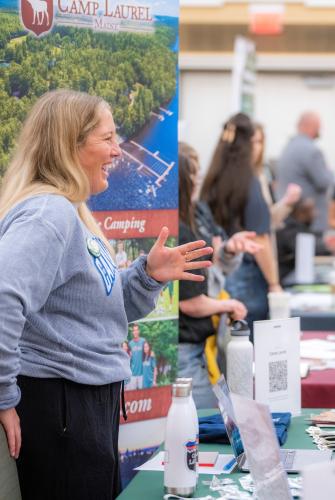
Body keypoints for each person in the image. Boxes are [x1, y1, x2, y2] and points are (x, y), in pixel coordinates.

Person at [0, 89, 211, 500]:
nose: (119, 150)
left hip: (78, 409)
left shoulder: (71, 210)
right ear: (70, 146)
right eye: (108, 138)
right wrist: (4, 395)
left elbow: (97, 312)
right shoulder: (49, 213)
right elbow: (3, 295)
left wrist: (148, 276)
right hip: (62, 408)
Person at [178, 151, 257, 408]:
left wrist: (229, 250)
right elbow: (190, 301)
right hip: (186, 347)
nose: (198, 178)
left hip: (201, 344)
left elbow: (212, 269)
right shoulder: (180, 231)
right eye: (193, 172)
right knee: (206, 420)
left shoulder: (197, 214)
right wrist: (228, 305)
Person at [199, 113, 279, 337]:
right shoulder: (249, 183)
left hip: (222, 273)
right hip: (247, 275)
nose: (259, 148)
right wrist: (274, 284)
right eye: (255, 142)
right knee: (250, 344)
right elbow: (259, 239)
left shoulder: (213, 178)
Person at [276, 111, 335, 234]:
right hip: (309, 221)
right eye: (318, 127)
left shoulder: (288, 147)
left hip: (289, 218)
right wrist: (330, 172)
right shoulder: (312, 151)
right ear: (309, 126)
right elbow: (324, 182)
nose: (320, 131)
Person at [252, 123, 301, 230]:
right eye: (252, 141)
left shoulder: (261, 174)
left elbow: (268, 218)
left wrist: (287, 201)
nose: (255, 147)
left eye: (259, 142)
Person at [128, 323, 146, 390]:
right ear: (132, 332)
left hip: (142, 373)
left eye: (137, 330)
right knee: (133, 394)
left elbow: (147, 353)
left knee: (143, 394)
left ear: (139, 331)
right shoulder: (130, 343)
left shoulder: (143, 341)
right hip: (133, 373)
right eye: (134, 330)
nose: (135, 332)